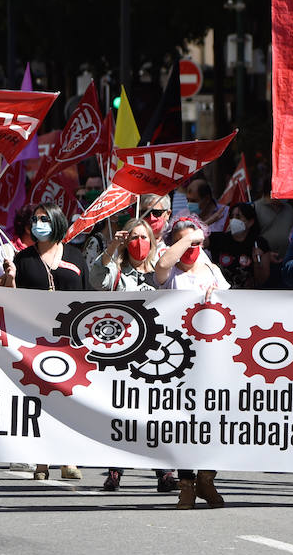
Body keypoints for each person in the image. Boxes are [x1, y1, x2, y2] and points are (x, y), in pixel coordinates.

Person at [87, 217, 179, 493]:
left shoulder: (161, 272)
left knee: (155, 413)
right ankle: (115, 470)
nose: (139, 242)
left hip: (156, 353)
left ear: (152, 241)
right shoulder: (117, 272)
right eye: (134, 237)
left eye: (144, 237)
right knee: (122, 413)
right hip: (123, 353)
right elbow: (96, 280)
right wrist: (111, 248)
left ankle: (164, 472)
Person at [3, 202, 86, 482]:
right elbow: (11, 300)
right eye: (36, 219)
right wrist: (10, 279)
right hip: (35, 338)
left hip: (70, 338)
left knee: (69, 399)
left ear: (57, 221)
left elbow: (87, 294)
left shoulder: (75, 256)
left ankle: (69, 458)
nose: (38, 224)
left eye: (45, 219)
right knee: (41, 399)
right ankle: (42, 459)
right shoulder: (23, 258)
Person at [152, 214, 229, 508]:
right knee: (183, 422)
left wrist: (218, 296)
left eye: (196, 242)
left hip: (212, 358)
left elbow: (232, 303)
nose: (190, 247)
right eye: (182, 242)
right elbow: (161, 265)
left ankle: (206, 480)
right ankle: (186, 483)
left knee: (212, 419)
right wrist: (189, 238)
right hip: (178, 358)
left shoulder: (212, 269)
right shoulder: (170, 272)